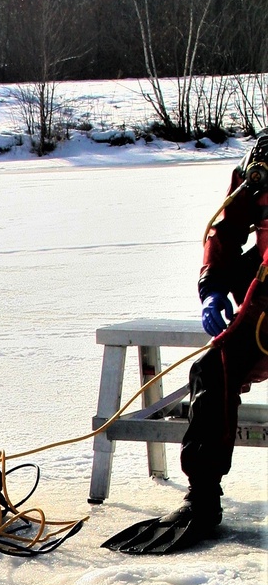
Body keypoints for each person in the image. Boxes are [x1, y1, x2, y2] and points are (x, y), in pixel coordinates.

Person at [104, 128, 268, 555]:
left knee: (217, 367)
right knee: (213, 369)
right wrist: (213, 286)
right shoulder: (259, 165)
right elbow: (227, 226)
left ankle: (202, 497)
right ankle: (203, 494)